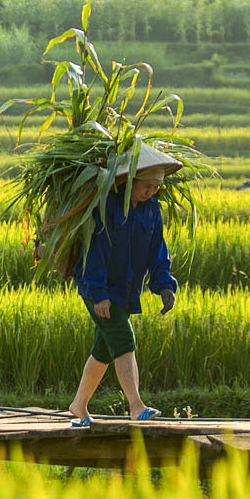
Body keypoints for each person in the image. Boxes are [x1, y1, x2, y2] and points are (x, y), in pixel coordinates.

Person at [65, 144, 181, 427]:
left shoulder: (151, 210)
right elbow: (95, 252)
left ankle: (78, 405)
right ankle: (136, 405)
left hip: (127, 290)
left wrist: (164, 285)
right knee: (124, 340)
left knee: (104, 350)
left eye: (156, 187)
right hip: (99, 289)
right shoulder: (108, 206)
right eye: (147, 186)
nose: (151, 192)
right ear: (130, 181)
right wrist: (99, 294)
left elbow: (157, 250)